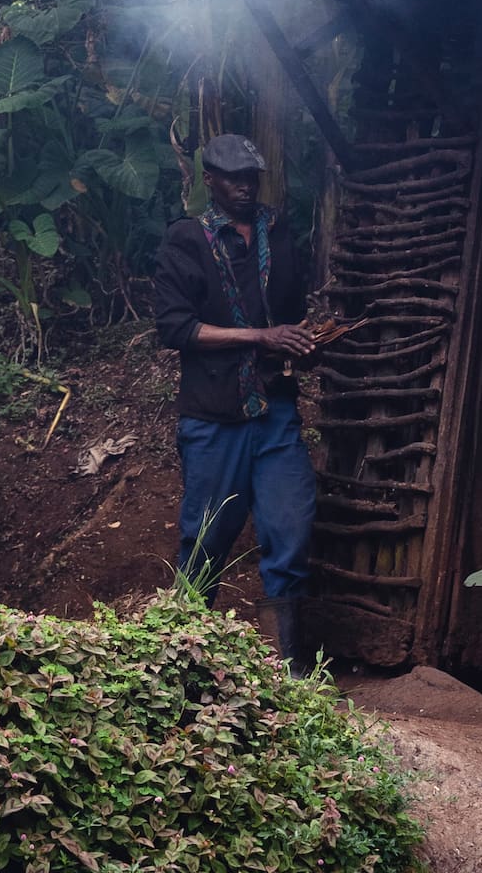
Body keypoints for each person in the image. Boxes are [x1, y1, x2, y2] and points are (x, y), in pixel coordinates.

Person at [153, 132, 320, 674]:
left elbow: (290, 309)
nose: (245, 187)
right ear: (209, 180)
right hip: (214, 417)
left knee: (290, 529)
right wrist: (262, 337)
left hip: (274, 412)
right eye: (232, 178)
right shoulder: (186, 240)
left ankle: (290, 681)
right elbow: (176, 328)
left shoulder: (279, 230)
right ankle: (180, 669)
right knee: (205, 540)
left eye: (251, 178)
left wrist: (302, 340)